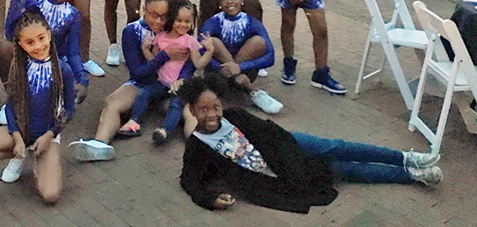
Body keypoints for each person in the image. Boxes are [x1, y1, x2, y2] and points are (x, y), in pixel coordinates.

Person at [179, 74, 442, 214]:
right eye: (203, 110)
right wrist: (210, 199)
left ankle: (405, 157)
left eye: (216, 106)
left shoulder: (234, 116)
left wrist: (291, 154)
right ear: (192, 110)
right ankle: (412, 175)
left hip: (287, 145)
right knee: (345, 170)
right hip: (282, 175)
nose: (212, 114)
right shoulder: (198, 147)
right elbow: (188, 180)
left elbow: (270, 132)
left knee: (336, 147)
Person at [67, 0, 193, 161]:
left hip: (171, 86)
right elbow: (138, 73)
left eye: (164, 16)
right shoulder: (132, 31)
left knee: (191, 109)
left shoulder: (176, 28)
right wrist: (164, 55)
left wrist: (182, 79)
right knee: (111, 103)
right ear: (144, 9)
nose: (158, 21)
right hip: (142, 84)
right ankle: (100, 144)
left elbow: (190, 61)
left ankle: (202, 143)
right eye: (153, 14)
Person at [0, 10, 75, 203]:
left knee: (50, 196)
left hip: (48, 135)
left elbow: (68, 110)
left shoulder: (63, 70)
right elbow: (10, 105)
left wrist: (50, 134)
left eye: (41, 38)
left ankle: (38, 155)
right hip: (21, 130)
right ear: (21, 45)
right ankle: (20, 154)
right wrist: (17, 137)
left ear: (49, 35)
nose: (38, 46)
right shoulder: (19, 68)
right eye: (30, 42)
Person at [118, 0, 212, 144]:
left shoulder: (190, 41)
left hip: (179, 84)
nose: (183, 24)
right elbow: (153, 60)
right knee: (143, 94)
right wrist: (145, 49)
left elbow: (199, 64)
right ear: (172, 19)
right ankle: (134, 122)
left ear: (193, 22)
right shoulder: (161, 36)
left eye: (188, 21)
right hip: (161, 82)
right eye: (179, 20)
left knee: (176, 105)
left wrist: (210, 51)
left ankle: (164, 130)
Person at [0, 0, 89, 109]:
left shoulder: (72, 14)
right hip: (28, 56)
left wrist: (82, 80)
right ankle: (13, 101)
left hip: (54, 62)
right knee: (3, 48)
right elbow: (10, 32)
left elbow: (73, 52)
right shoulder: (33, 2)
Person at [201, 0, 283, 115]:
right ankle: (252, 90)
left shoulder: (252, 22)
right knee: (212, 42)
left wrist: (240, 67)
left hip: (246, 73)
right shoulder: (213, 22)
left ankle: (241, 82)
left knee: (258, 42)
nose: (229, 0)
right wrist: (226, 69)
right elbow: (200, 51)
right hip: (219, 74)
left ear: (242, 1)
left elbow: (270, 56)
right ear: (220, 4)